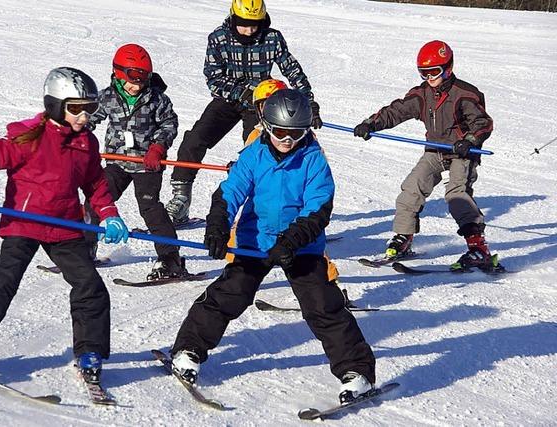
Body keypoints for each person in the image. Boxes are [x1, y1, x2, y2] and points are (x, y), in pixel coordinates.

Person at [169, 89, 376, 404]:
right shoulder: (254, 154)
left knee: (323, 305)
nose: (288, 140)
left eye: (296, 133)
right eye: (280, 132)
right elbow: (231, 190)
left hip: (301, 246)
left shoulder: (313, 160)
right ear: (266, 125)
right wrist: (218, 226)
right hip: (257, 241)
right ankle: (188, 350)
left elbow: (318, 208)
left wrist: (292, 240)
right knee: (230, 294)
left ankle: (356, 372)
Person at [0, 67, 129, 384]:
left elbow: (95, 183)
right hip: (25, 221)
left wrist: (110, 213)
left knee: (90, 286)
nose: (84, 117)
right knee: (3, 279)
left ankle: (89, 350)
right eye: (76, 109)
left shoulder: (86, 143)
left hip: (64, 225)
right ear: (55, 104)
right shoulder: (29, 137)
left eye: (89, 109)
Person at [165, 0, 323, 225]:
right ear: (233, 18)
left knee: (257, 150)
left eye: (255, 24)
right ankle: (181, 198)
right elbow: (213, 78)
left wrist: (308, 102)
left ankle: (260, 208)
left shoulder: (272, 38)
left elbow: (293, 70)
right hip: (229, 99)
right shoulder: (218, 38)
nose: (249, 30)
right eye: (244, 23)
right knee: (195, 139)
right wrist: (241, 92)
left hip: (262, 103)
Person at [353, 40, 497, 271]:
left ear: (448, 68)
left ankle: (478, 248)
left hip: (461, 152)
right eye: (424, 73)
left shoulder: (465, 94)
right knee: (412, 187)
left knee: (457, 195)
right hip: (435, 151)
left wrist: (469, 141)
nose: (429, 77)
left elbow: (482, 123)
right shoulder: (422, 95)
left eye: (434, 71)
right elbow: (396, 111)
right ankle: (404, 238)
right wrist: (371, 124)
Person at [225, 79, 350, 305]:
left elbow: (313, 163)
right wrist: (238, 165)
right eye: (263, 105)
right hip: (264, 209)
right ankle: (234, 278)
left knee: (311, 248)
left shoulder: (302, 136)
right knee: (242, 237)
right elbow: (250, 161)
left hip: (297, 210)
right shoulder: (257, 135)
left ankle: (331, 287)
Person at [85, 44, 188, 280]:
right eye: (132, 81)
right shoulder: (107, 97)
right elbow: (89, 119)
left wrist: (158, 147)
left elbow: (169, 124)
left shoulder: (157, 99)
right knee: (95, 202)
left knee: (151, 209)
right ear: (118, 75)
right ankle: (84, 250)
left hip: (147, 165)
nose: (136, 86)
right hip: (116, 162)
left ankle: (170, 259)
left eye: (142, 81)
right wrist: (78, 140)